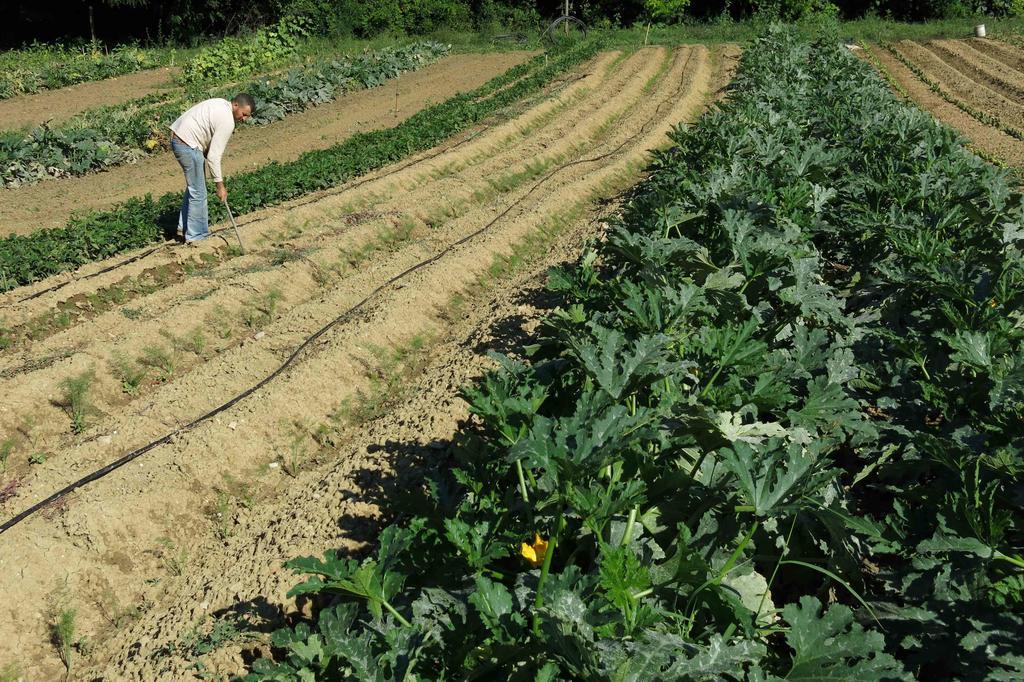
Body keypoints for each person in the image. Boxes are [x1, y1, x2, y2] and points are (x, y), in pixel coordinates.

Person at [169, 93, 254, 243]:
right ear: (235, 105)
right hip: (187, 144)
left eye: (247, 116)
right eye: (244, 114)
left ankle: (183, 227)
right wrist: (220, 186)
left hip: (179, 137)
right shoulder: (228, 121)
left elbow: (208, 145)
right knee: (199, 192)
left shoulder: (220, 103)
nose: (244, 119)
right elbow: (214, 157)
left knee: (194, 187)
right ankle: (197, 237)